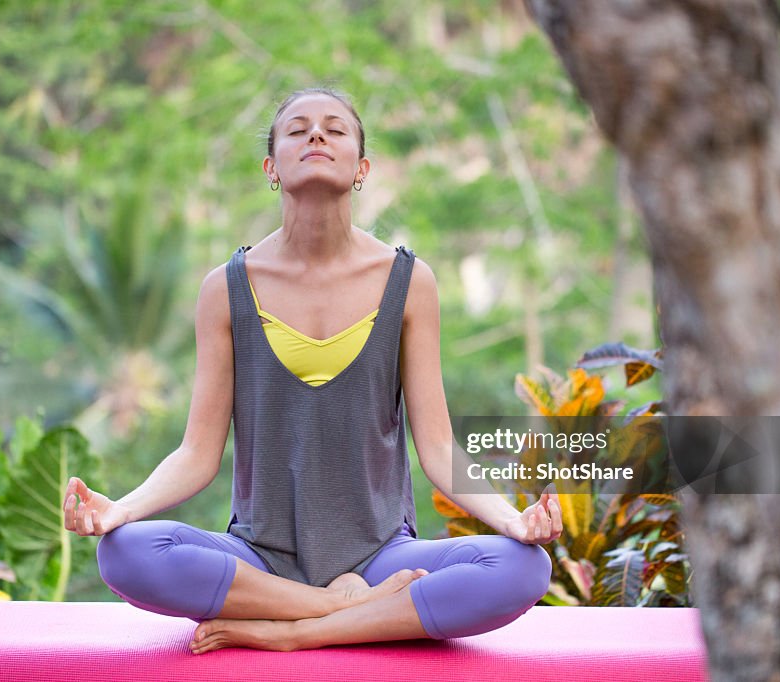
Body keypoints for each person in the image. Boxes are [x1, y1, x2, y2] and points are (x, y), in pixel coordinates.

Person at [63, 87, 561, 655]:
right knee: (125, 553)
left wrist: (513, 521)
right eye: (297, 130)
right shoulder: (225, 290)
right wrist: (120, 509)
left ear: (362, 167)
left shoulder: (409, 282)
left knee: (521, 569)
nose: (316, 136)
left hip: (380, 558)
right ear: (272, 167)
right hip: (260, 562)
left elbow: (440, 447)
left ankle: (295, 633)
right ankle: (339, 611)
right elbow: (197, 455)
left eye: (334, 129)